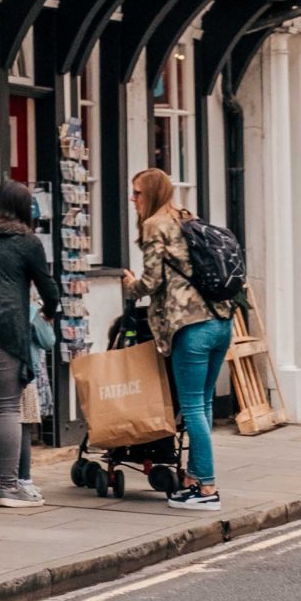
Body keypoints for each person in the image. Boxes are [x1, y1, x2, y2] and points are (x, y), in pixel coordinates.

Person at [126, 166, 233, 510]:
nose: (133, 198)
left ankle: (207, 490)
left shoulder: (155, 224)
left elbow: (152, 280)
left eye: (138, 192)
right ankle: (193, 481)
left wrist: (131, 285)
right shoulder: (187, 217)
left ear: (152, 193)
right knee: (200, 406)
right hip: (221, 321)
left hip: (191, 326)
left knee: (192, 407)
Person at [0, 178, 60, 508]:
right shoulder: (28, 242)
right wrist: (48, 314)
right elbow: (49, 290)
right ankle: (9, 486)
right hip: (9, 329)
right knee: (9, 407)